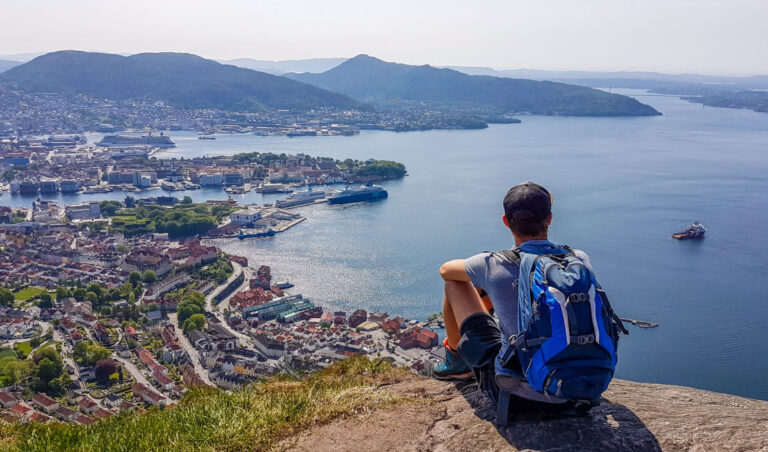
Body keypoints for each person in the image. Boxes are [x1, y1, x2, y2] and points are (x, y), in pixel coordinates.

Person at [432, 182, 584, 402]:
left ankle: (457, 360)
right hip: (577, 389)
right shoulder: (577, 259)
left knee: (455, 283)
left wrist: (485, 277)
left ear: (506, 222)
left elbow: (445, 270)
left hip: (515, 395)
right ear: (549, 219)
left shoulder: (494, 264)